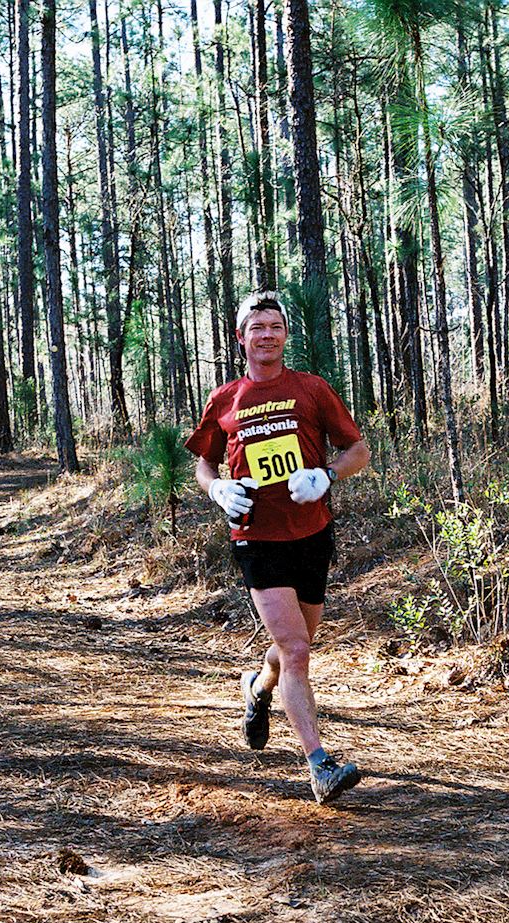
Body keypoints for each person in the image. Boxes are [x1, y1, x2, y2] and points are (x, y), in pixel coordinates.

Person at [185, 290, 371, 804]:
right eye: (256, 326)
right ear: (240, 337)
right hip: (255, 538)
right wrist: (216, 488)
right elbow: (203, 462)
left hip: (311, 532)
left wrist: (327, 475)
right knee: (296, 649)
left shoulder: (312, 390)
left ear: (286, 335)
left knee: (296, 648)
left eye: (275, 326)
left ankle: (258, 689)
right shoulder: (225, 400)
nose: (266, 334)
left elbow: (358, 449)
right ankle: (320, 765)